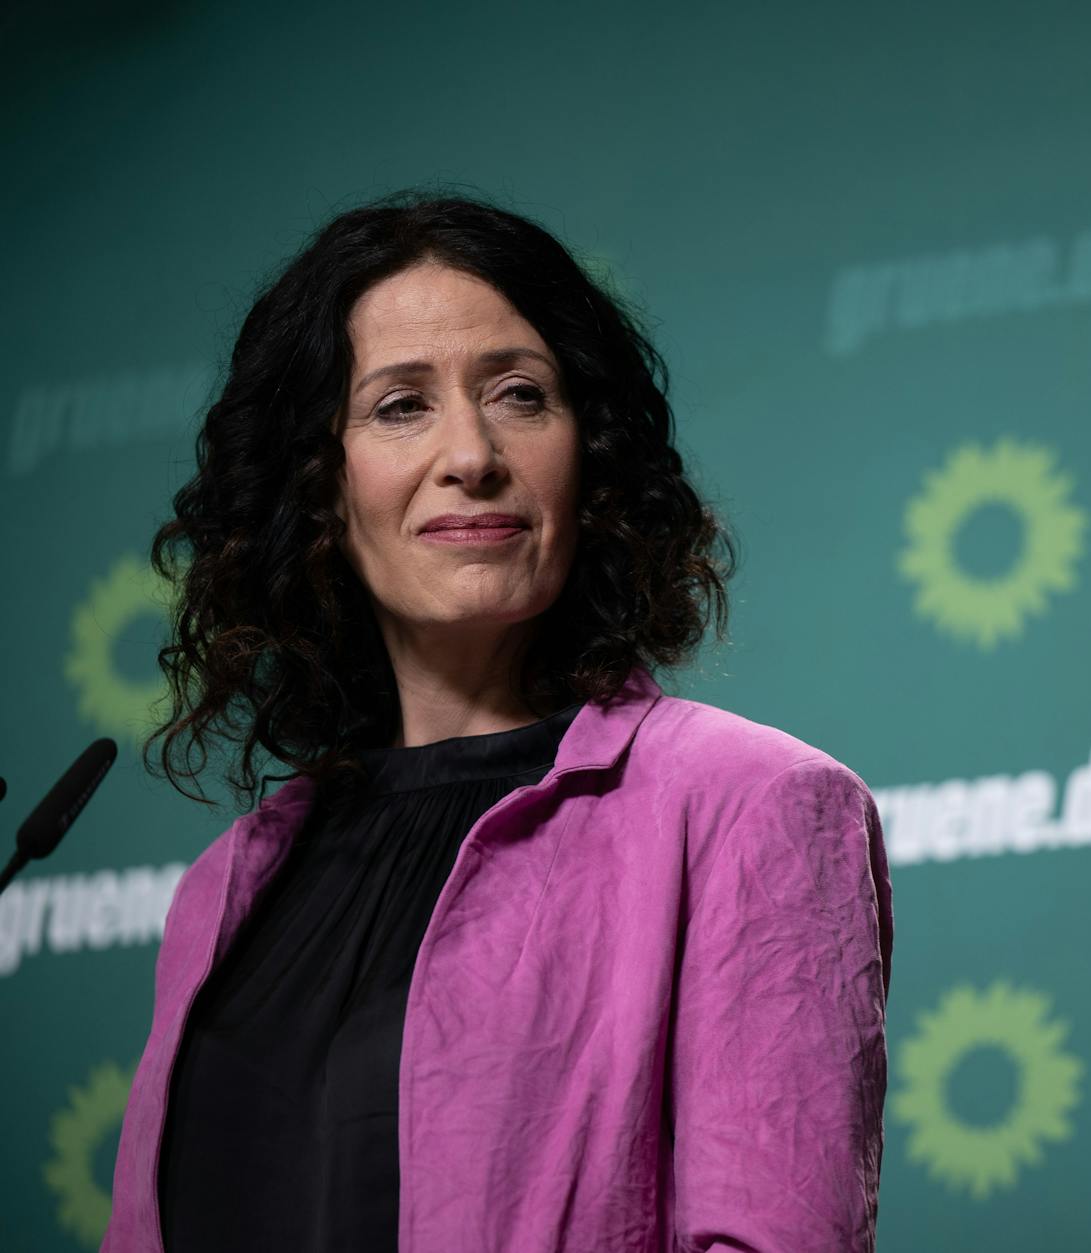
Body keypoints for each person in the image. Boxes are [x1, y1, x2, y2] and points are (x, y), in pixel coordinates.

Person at [102, 189, 894, 1253]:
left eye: (520, 394)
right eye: (399, 406)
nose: (471, 452)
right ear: (319, 484)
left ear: (591, 454)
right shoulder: (225, 886)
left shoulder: (749, 802)